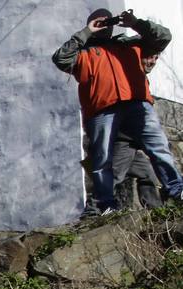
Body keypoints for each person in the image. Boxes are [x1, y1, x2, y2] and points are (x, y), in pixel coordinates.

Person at [53, 9, 182, 216]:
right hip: (102, 110)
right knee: (102, 160)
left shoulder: (130, 44)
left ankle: (176, 192)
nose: (104, 25)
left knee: (159, 148)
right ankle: (105, 206)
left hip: (136, 104)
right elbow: (60, 58)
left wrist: (135, 23)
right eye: (98, 22)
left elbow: (163, 37)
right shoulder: (83, 53)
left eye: (107, 21)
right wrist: (86, 32)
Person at [111, 52, 164, 211]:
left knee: (147, 173)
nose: (153, 62)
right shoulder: (127, 76)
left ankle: (155, 211)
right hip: (122, 139)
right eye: (150, 57)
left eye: (156, 58)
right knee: (114, 175)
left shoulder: (141, 79)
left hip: (132, 140)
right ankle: (93, 211)